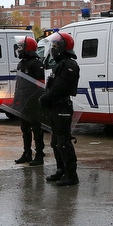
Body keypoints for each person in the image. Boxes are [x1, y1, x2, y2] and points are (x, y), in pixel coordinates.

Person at [39, 32, 80, 186]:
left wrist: (47, 96)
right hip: (56, 106)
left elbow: (60, 86)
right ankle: (61, 170)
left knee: (64, 142)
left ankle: (71, 174)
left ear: (64, 47)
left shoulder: (70, 65)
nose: (53, 49)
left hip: (62, 105)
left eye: (56, 46)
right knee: (56, 142)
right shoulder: (60, 64)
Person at [13, 36, 46, 166]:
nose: (19, 49)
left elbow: (41, 85)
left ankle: (39, 154)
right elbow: (19, 83)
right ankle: (26, 153)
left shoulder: (37, 64)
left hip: (33, 102)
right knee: (24, 128)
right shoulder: (21, 63)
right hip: (23, 101)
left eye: (21, 47)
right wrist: (16, 99)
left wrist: (36, 101)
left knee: (36, 129)